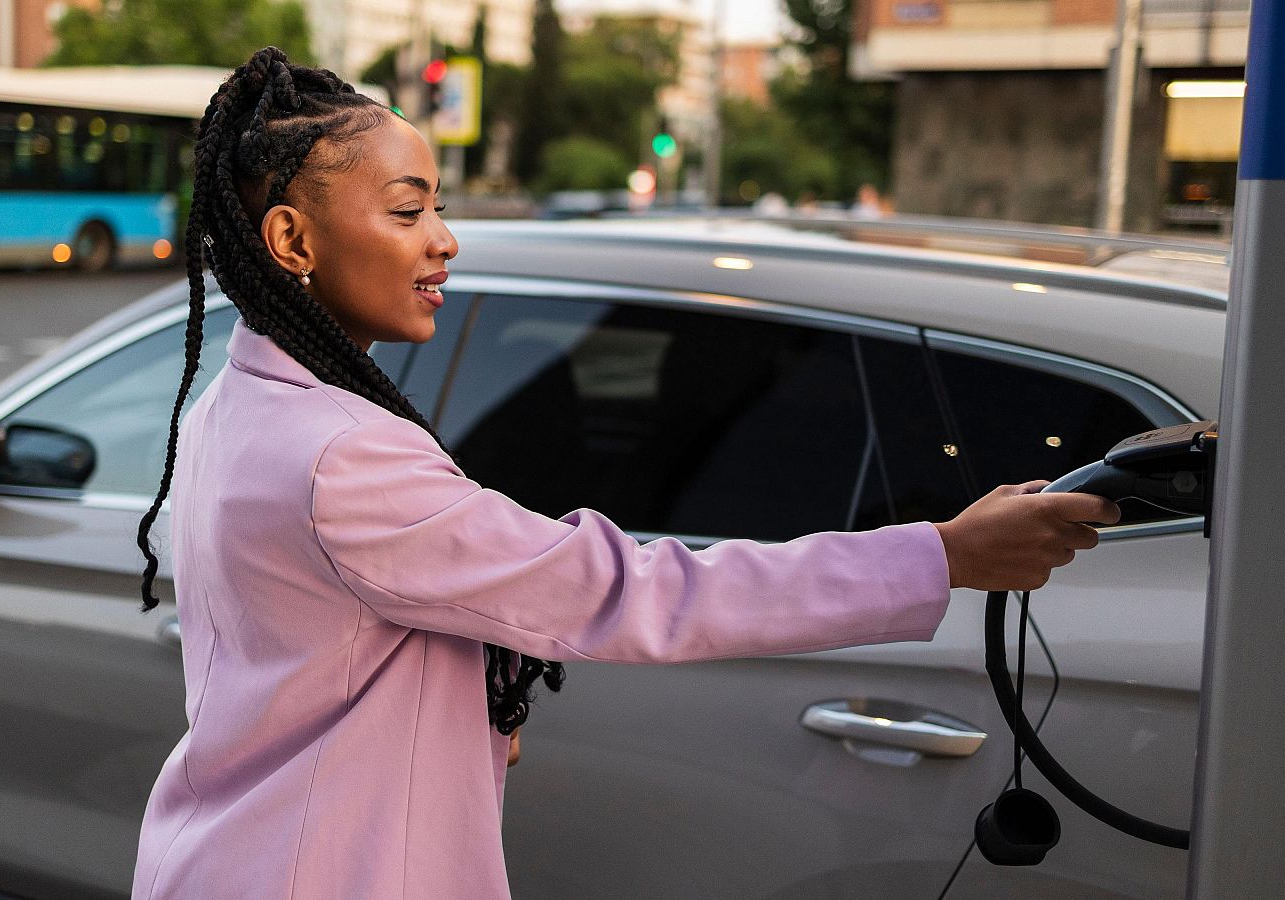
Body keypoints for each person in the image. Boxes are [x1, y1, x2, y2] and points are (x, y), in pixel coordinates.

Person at [129, 47, 1119, 900]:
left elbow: (325, 649)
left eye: (441, 205)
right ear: (292, 241)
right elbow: (628, 593)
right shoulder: (343, 452)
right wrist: (938, 556)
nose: (444, 239)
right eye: (406, 210)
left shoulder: (239, 405)